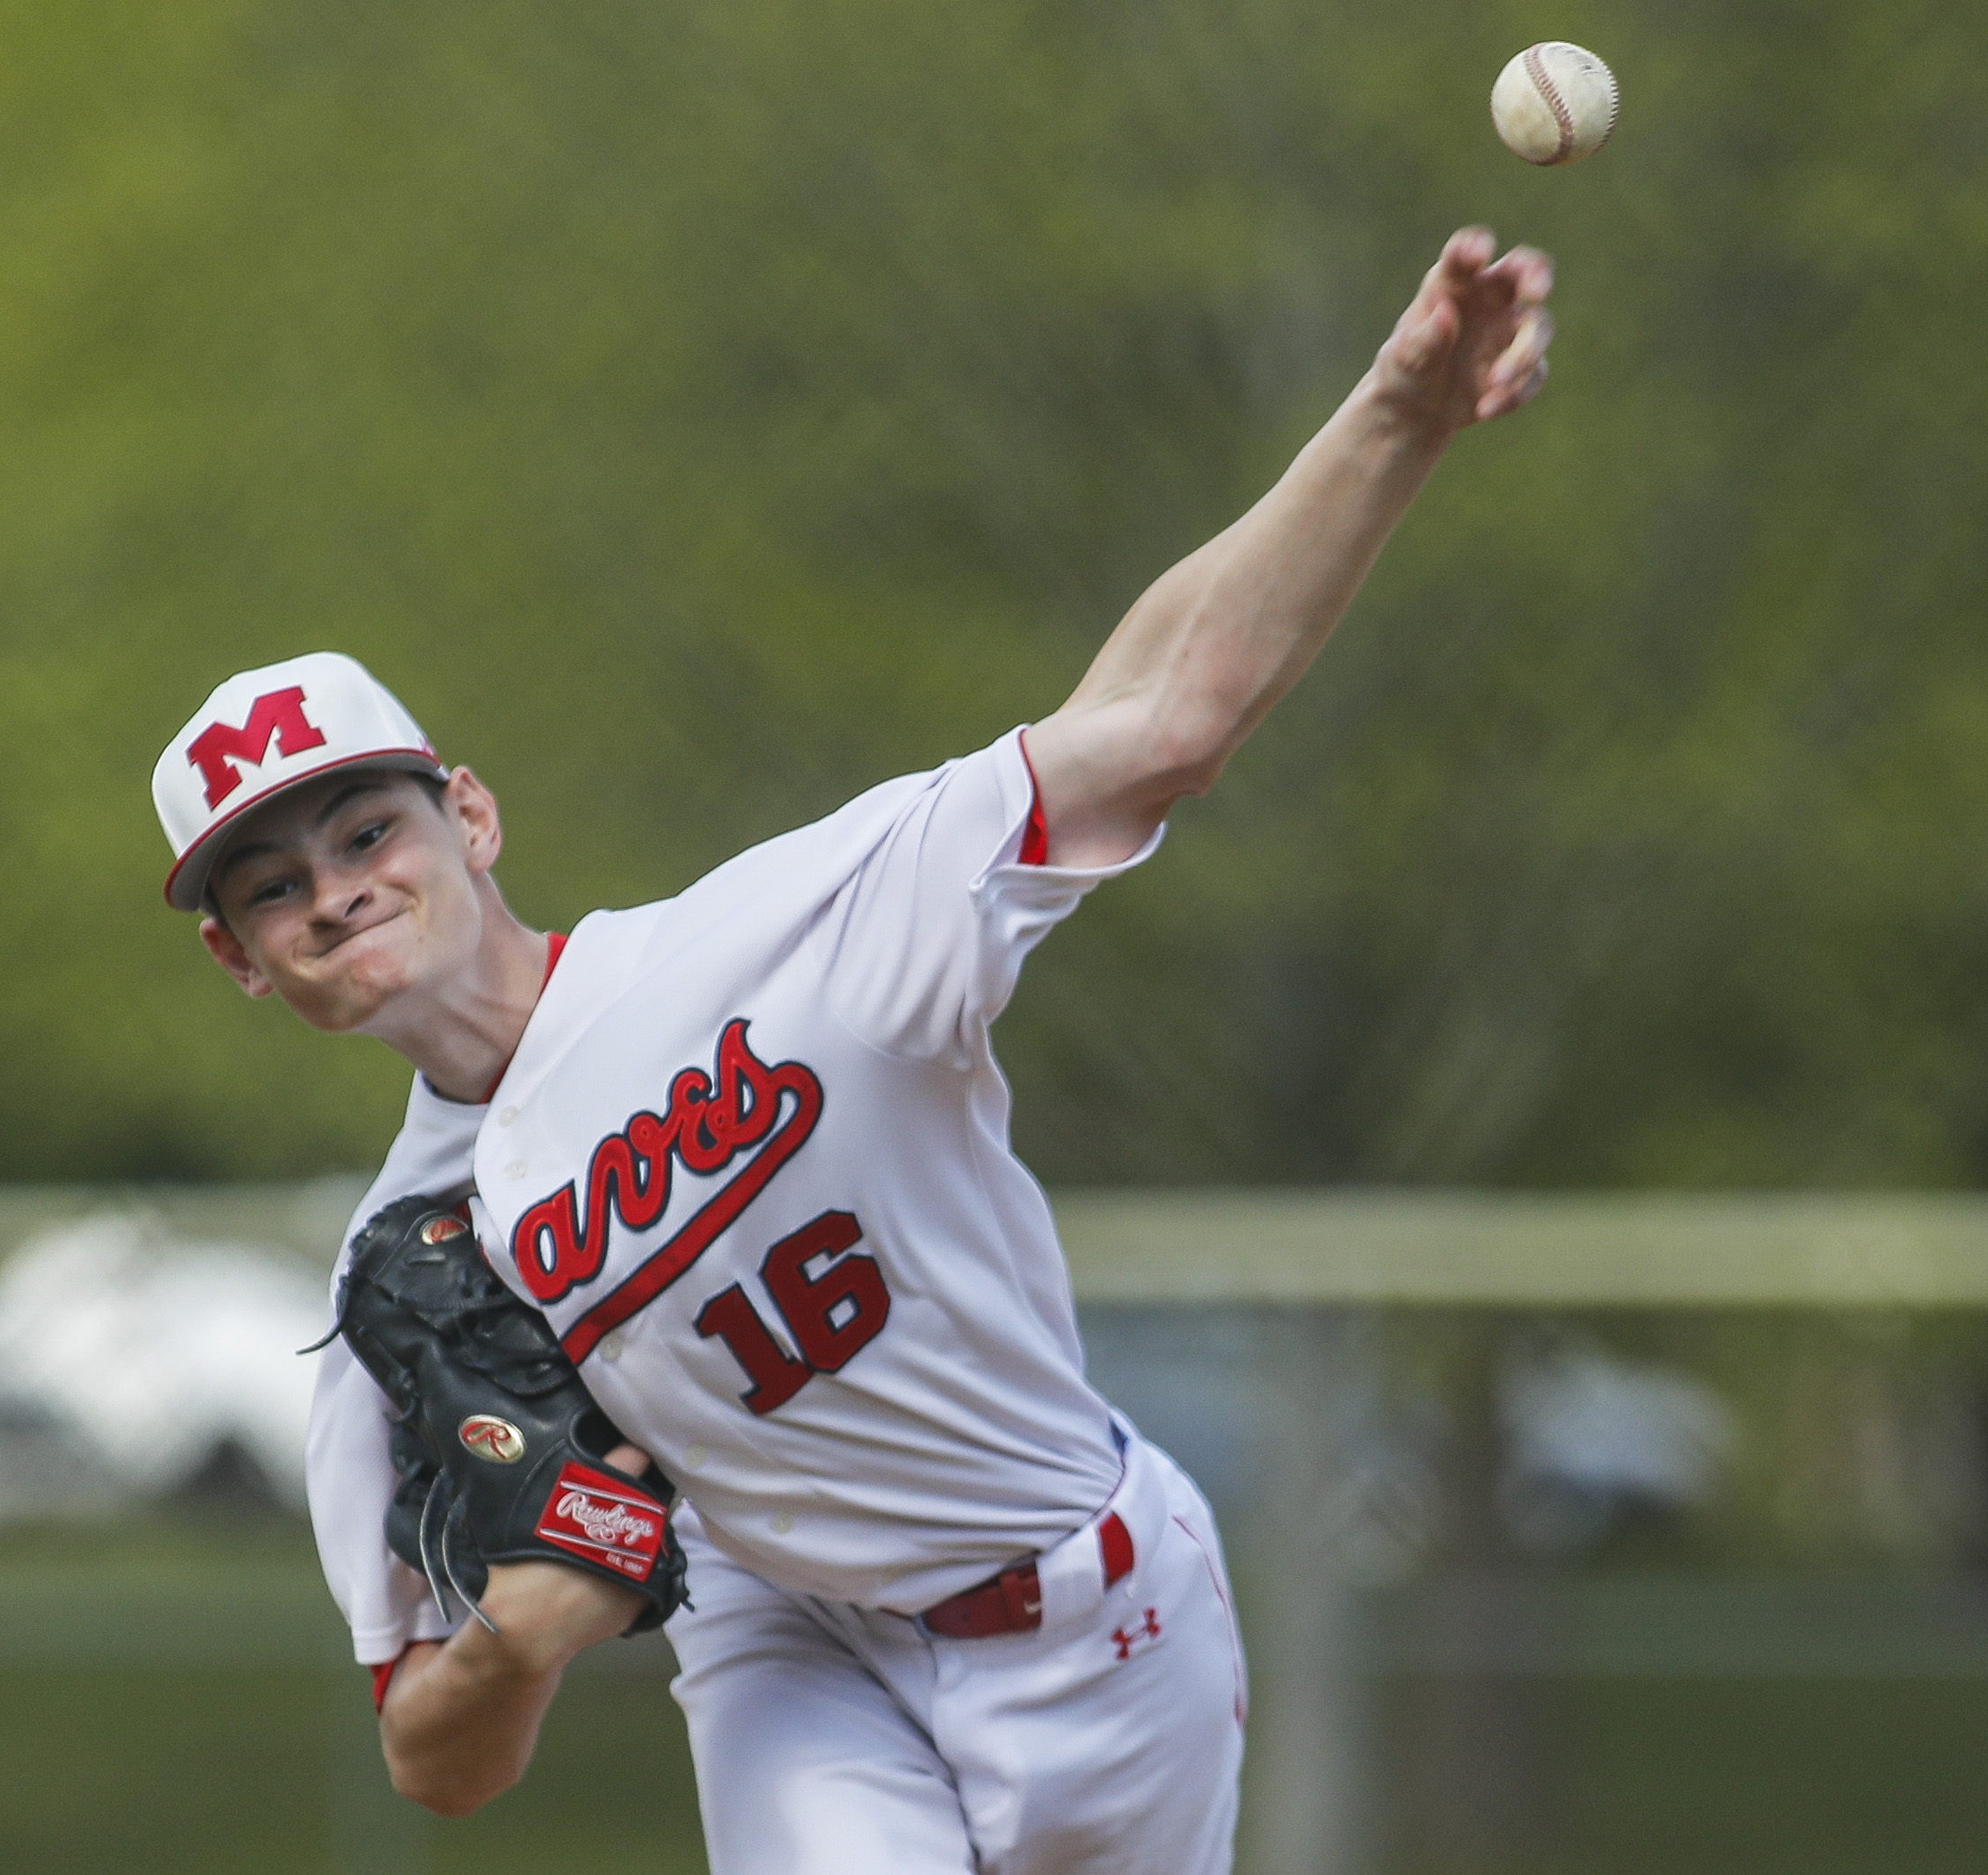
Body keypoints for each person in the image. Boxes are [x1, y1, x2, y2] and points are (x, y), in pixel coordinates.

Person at [148, 227, 1554, 1875]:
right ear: (238, 956)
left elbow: (1163, 717)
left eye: (364, 828)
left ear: (469, 815)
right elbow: (432, 1760)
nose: (334, 892)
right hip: (790, 1646)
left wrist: (1398, 412)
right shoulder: (398, 1272)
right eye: (272, 884)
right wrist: (512, 1644)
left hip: (1098, 1601)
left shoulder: (779, 932)